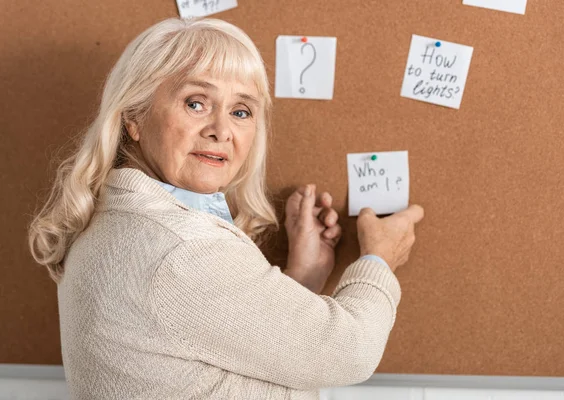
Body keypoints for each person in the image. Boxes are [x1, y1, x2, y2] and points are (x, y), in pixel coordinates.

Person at [28, 17, 424, 400]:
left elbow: (209, 349)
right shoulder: (179, 250)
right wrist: (378, 258)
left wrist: (302, 278)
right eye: (196, 103)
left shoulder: (123, 224)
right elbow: (349, 352)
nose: (221, 129)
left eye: (241, 111)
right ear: (134, 116)